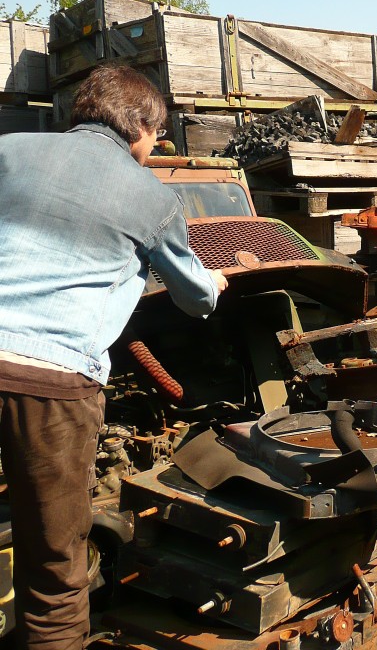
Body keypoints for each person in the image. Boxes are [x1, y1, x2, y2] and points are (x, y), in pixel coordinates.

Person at [0, 65, 228, 650]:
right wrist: (216, 282)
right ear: (142, 128)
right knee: (54, 576)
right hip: (51, 386)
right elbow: (195, 297)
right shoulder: (152, 196)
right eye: (157, 137)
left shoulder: (8, 150)